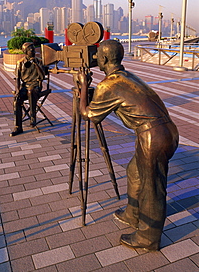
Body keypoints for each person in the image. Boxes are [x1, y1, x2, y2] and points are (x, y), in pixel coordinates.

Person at [77, 40, 179, 251]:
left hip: (153, 136)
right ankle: (133, 213)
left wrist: (83, 86)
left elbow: (90, 115)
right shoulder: (127, 77)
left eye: (97, 56)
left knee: (152, 188)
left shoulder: (109, 84)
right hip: (166, 130)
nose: (95, 59)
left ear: (104, 59)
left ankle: (148, 238)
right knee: (134, 171)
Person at [10, 42, 45, 136]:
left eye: (33, 48)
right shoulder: (20, 62)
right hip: (25, 86)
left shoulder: (39, 61)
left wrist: (36, 64)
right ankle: (18, 127)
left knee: (31, 91)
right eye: (30, 49)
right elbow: (17, 78)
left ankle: (33, 117)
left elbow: (42, 77)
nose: (32, 50)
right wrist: (17, 90)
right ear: (25, 51)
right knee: (16, 100)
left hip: (36, 86)